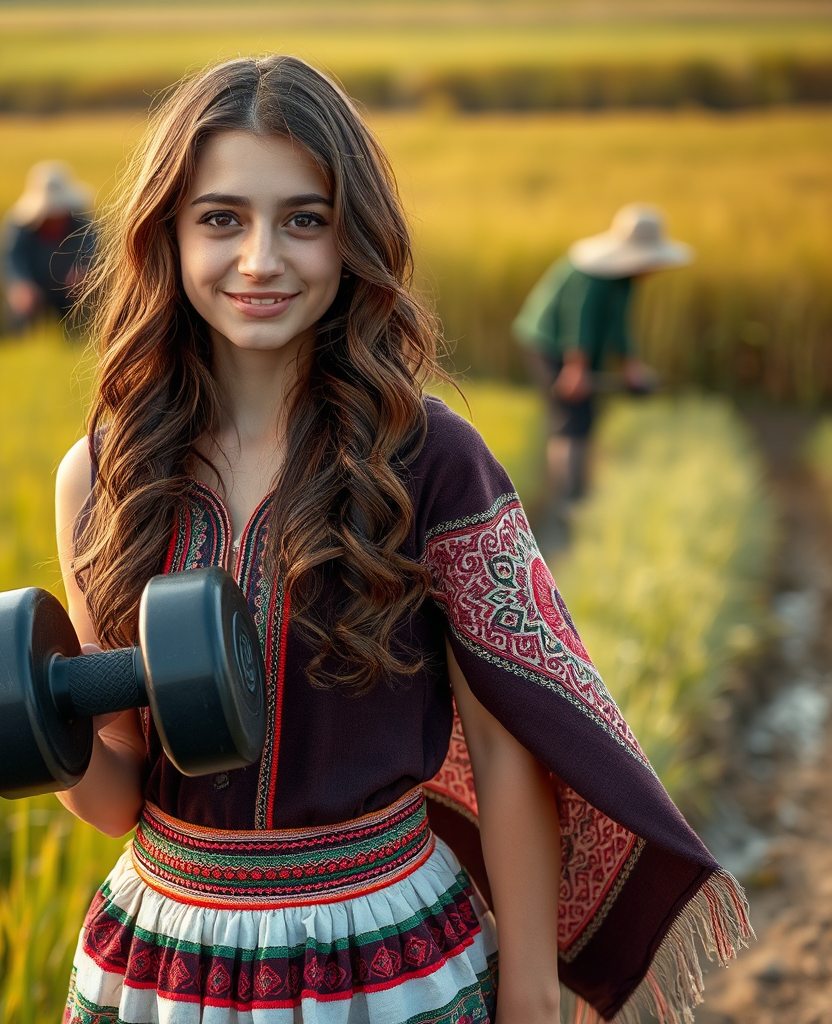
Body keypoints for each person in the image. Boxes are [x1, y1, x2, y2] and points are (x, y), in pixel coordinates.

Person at [53, 57, 748, 1024]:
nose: (261, 259)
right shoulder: (101, 477)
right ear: (165, 233)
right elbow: (115, 797)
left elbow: (509, 754)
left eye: (305, 218)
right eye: (221, 218)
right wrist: (44, 729)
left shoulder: (432, 462)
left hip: (386, 954)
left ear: (355, 240)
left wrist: (534, 995)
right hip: (167, 965)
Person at [513, 205, 693, 514]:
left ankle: (577, 491)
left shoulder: (624, 277)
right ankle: (566, 499)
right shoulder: (593, 273)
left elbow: (617, 325)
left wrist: (631, 367)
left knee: (584, 416)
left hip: (573, 351)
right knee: (571, 416)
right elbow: (578, 319)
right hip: (548, 344)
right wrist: (576, 369)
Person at [0, 160, 97, 331]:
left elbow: (92, 249)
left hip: (70, 293)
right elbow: (8, 257)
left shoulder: (81, 224)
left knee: (92, 300)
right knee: (18, 307)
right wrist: (20, 285)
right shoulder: (21, 225)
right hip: (33, 293)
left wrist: (84, 269)